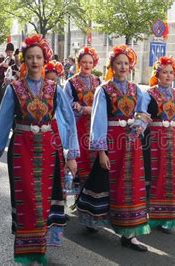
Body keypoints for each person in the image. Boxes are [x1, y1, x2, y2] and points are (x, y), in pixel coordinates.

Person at [0, 34, 79, 264]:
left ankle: (40, 249)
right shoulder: (14, 89)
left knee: (45, 200)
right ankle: (28, 251)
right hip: (22, 149)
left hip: (49, 150)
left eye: (39, 57)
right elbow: (3, 121)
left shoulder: (54, 88)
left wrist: (72, 154)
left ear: (45, 59)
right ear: (24, 60)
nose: (35, 61)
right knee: (27, 200)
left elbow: (68, 121)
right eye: (30, 57)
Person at [76, 44, 151, 252]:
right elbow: (98, 121)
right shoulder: (104, 90)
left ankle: (130, 233)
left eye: (126, 63)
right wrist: (101, 151)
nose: (123, 67)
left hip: (131, 144)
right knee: (105, 182)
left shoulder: (137, 89)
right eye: (119, 63)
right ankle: (94, 220)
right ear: (112, 66)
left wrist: (139, 126)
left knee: (131, 185)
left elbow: (143, 113)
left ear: (131, 66)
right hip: (111, 142)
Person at [138, 56, 175, 234]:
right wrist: (137, 131)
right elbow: (142, 114)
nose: (168, 76)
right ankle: (150, 213)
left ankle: (169, 216)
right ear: (157, 74)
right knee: (153, 175)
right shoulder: (148, 94)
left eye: (171, 73)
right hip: (153, 140)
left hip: (173, 140)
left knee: (171, 176)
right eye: (164, 72)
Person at [63, 47, 101, 193]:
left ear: (94, 64)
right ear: (78, 63)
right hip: (78, 127)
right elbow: (66, 109)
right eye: (84, 62)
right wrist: (77, 107)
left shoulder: (98, 81)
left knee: (95, 158)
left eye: (90, 62)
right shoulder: (70, 83)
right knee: (81, 158)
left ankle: (92, 192)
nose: (87, 65)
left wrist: (86, 109)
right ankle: (77, 193)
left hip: (95, 127)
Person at [0, 43, 15, 115]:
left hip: (9, 85)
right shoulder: (0, 59)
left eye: (11, 52)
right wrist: (0, 65)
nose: (10, 54)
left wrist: (8, 66)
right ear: (5, 52)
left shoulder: (14, 62)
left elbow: (15, 72)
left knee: (8, 103)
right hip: (0, 83)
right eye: (8, 52)